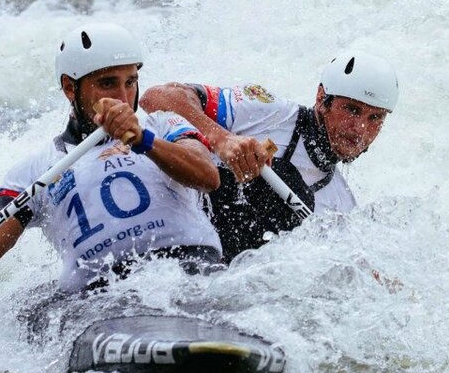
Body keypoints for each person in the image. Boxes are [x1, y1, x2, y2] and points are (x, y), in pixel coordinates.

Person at [0, 23, 223, 321]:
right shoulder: (36, 170)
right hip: (102, 295)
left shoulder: (163, 125)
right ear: (70, 88)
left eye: (130, 81)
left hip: (190, 268)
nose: (122, 96)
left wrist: (143, 140)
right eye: (107, 83)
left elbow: (207, 176)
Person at [140, 52, 398, 261]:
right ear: (322, 98)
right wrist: (222, 139)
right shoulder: (267, 110)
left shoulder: (341, 205)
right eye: (352, 110)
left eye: (375, 118)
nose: (360, 129)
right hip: (164, 224)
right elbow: (156, 97)